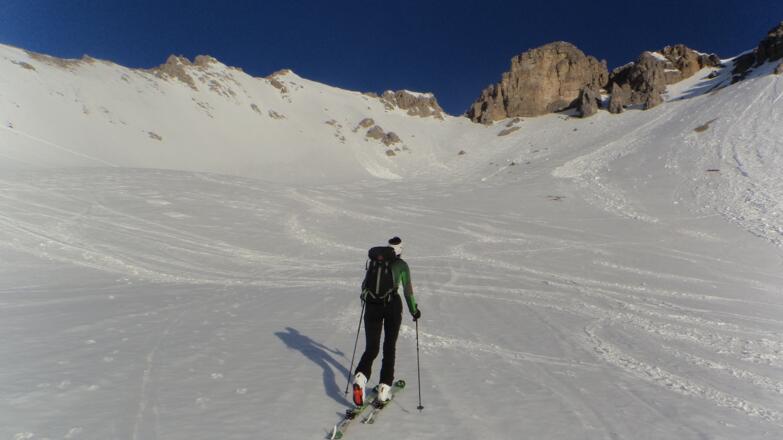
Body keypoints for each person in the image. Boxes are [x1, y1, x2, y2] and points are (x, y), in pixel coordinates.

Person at [353, 236, 421, 405]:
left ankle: (360, 378)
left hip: (371, 307)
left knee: (371, 348)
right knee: (389, 347)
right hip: (392, 306)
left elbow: (364, 286)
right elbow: (408, 291)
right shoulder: (401, 265)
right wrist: (414, 310)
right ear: (400, 249)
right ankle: (384, 388)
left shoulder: (375, 262)